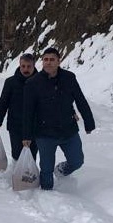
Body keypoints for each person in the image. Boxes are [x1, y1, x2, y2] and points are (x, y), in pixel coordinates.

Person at [22, 47, 95, 190]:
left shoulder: (69, 78)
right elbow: (28, 111)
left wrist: (89, 121)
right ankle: (47, 195)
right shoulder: (33, 83)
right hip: (44, 133)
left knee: (77, 161)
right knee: (46, 169)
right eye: (45, 60)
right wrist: (26, 135)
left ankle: (61, 170)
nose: (48, 63)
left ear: (58, 61)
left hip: (68, 130)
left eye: (52, 60)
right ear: (42, 61)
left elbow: (80, 100)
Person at [0, 53, 38, 161]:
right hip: (15, 126)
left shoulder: (40, 81)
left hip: (35, 126)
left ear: (34, 66)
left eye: (29, 66)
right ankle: (16, 175)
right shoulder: (10, 82)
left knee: (32, 155)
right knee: (17, 154)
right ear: (19, 65)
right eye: (23, 66)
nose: (26, 69)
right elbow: (3, 103)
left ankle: (30, 176)